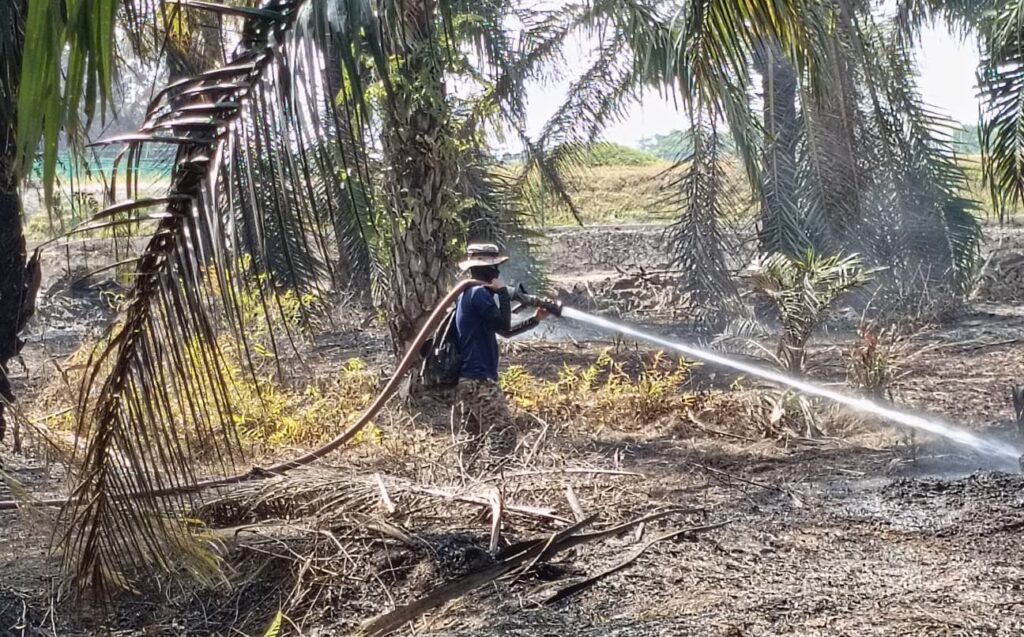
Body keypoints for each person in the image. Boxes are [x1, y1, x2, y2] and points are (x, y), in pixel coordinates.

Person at [454, 243, 548, 455]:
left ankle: (465, 478)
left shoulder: (467, 294)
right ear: (486, 269)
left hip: (468, 379)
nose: (497, 272)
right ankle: (493, 479)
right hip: (478, 379)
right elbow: (504, 325)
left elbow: (502, 331)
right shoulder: (478, 294)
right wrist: (504, 294)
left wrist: (534, 320)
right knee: (504, 433)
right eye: (494, 268)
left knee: (472, 437)